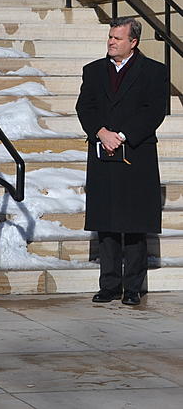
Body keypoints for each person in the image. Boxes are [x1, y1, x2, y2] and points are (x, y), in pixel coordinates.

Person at [75, 17, 168, 306]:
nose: (111, 42)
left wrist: (123, 135)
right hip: (103, 152)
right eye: (110, 37)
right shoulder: (93, 71)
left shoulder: (154, 71)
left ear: (133, 42)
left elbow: (154, 111)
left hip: (136, 153)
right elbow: (85, 106)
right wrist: (102, 133)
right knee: (107, 222)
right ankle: (109, 284)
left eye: (117, 38)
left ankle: (133, 288)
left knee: (136, 222)